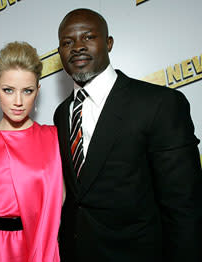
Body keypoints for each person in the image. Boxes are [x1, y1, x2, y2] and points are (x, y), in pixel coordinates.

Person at [54, 8, 202, 262]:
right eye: (68, 42)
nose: (77, 47)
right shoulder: (61, 114)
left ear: (109, 43)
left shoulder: (159, 104)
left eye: (88, 37)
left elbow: (184, 207)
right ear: (60, 53)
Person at [0, 41, 63, 262]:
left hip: (40, 242)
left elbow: (62, 199)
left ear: (37, 91)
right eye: (8, 90)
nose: (18, 102)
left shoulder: (54, 138)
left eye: (27, 91)